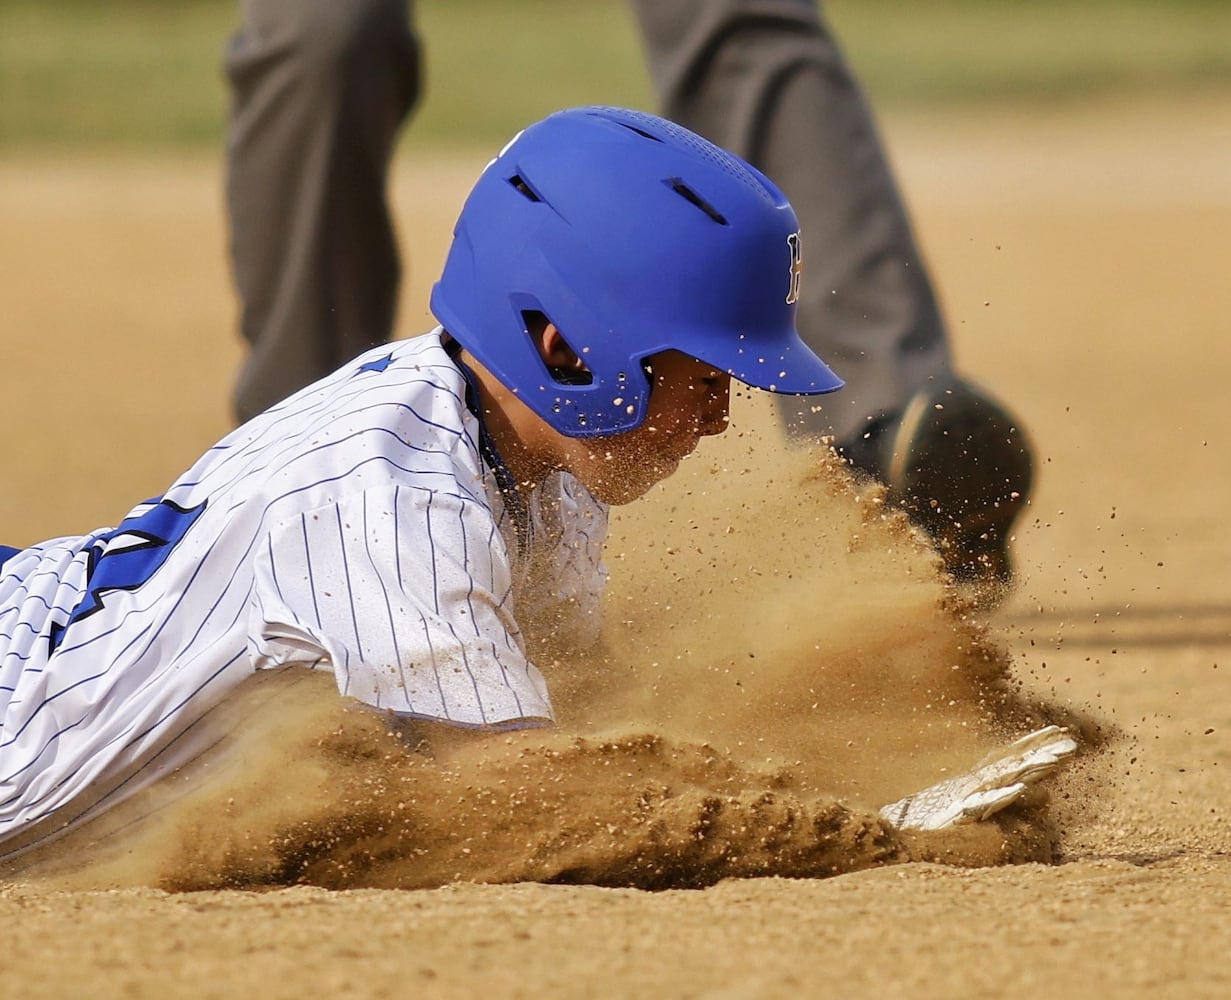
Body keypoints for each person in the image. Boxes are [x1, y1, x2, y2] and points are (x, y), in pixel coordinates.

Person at [0, 109, 1070, 866]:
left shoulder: (529, 461)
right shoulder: (397, 500)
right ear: (563, 348)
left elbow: (576, 716)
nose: (719, 418)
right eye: (697, 377)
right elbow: (522, 793)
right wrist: (855, 824)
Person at [224, 0, 1034, 590]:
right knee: (325, 32)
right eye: (712, 384)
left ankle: (881, 437)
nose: (720, 420)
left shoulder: (574, 511)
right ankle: (314, 488)